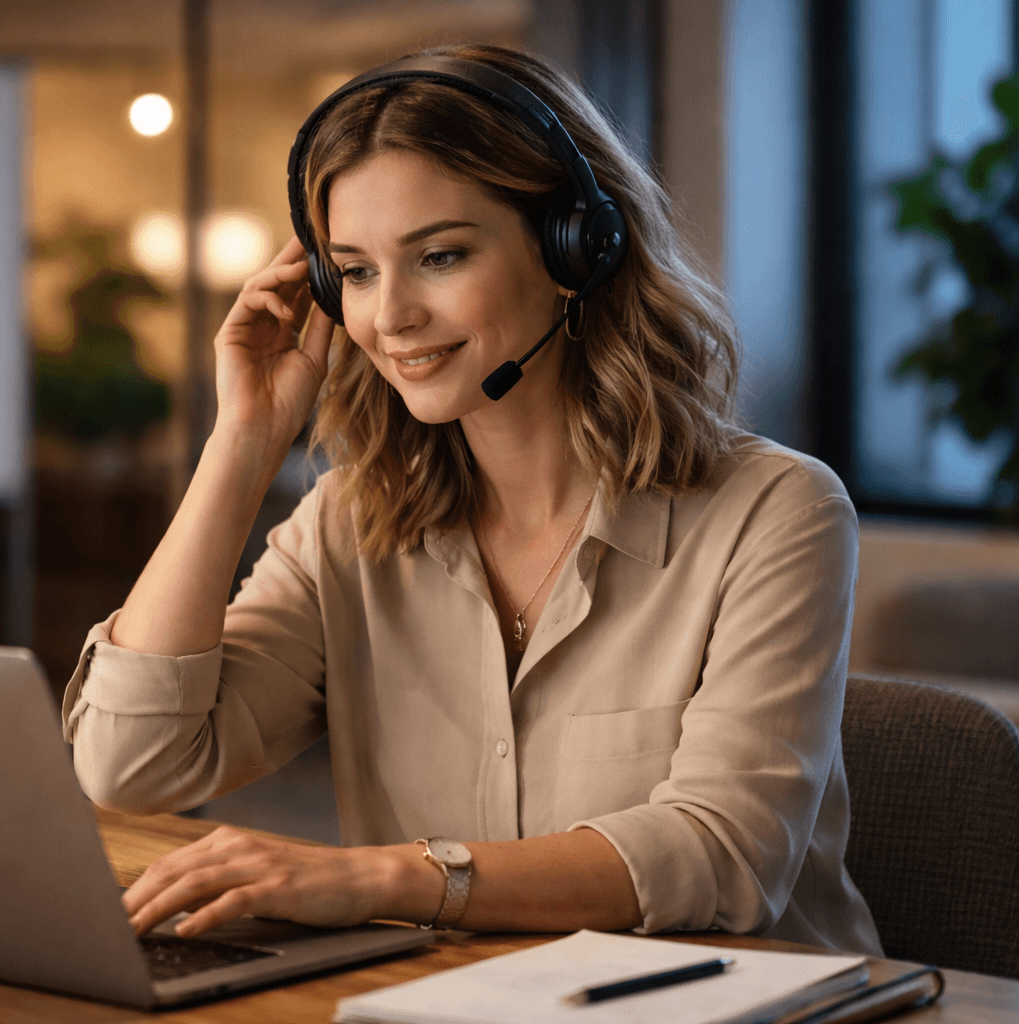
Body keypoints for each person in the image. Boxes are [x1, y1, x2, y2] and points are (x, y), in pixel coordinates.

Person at [61, 42, 882, 956]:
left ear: (578, 247)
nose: (390, 316)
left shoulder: (776, 512)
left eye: (440, 256)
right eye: (358, 273)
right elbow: (130, 765)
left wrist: (378, 876)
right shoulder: (350, 523)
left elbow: (724, 856)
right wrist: (241, 445)